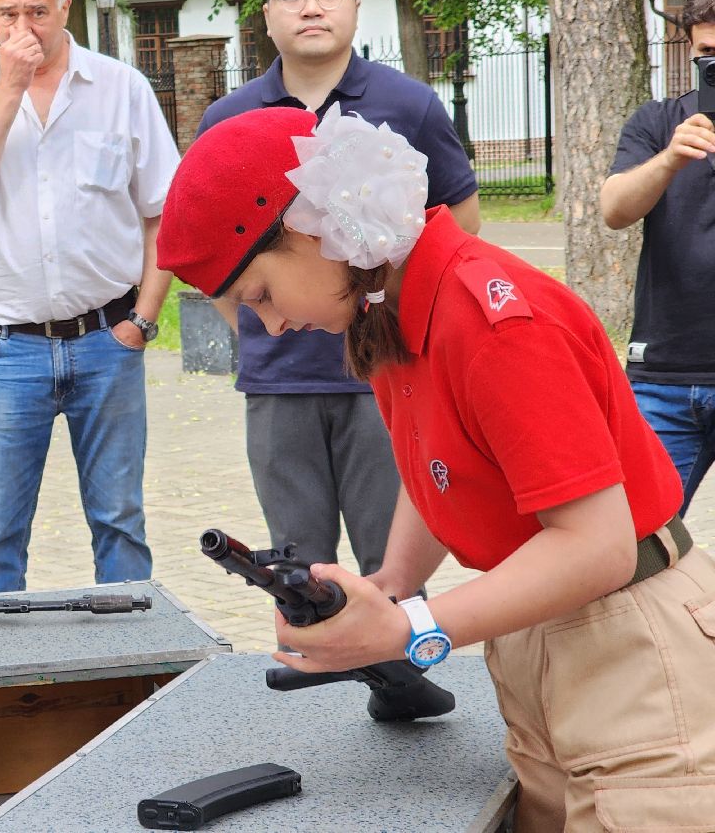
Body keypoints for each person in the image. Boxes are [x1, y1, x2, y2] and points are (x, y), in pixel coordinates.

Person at [157, 105, 712, 830]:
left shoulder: (493, 321)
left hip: (628, 642)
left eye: (259, 295)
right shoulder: (388, 301)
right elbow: (441, 462)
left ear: (309, 226)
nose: (273, 325)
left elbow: (596, 543)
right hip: (541, 624)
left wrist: (411, 627)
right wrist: (390, 585)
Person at [198, 0, 480, 578]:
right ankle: (323, 677)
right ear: (266, 14)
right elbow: (216, 261)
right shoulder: (229, 120)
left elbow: (459, 234)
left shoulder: (409, 106)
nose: (311, 7)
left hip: (387, 373)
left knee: (394, 567)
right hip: (281, 383)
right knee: (299, 570)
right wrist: (262, 328)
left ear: (355, 5)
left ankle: (403, 679)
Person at [0, 0, 180, 594]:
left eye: (37, 11)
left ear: (65, 7)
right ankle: (2, 675)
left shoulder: (120, 88)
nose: (23, 30)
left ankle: (132, 661)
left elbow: (164, 214)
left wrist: (142, 323)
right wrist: (9, 87)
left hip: (107, 338)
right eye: (7, 14)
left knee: (120, 522)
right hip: (7, 346)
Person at [601, 0, 715, 514]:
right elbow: (615, 209)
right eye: (707, 53)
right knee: (639, 540)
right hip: (666, 376)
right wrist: (671, 158)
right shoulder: (658, 122)